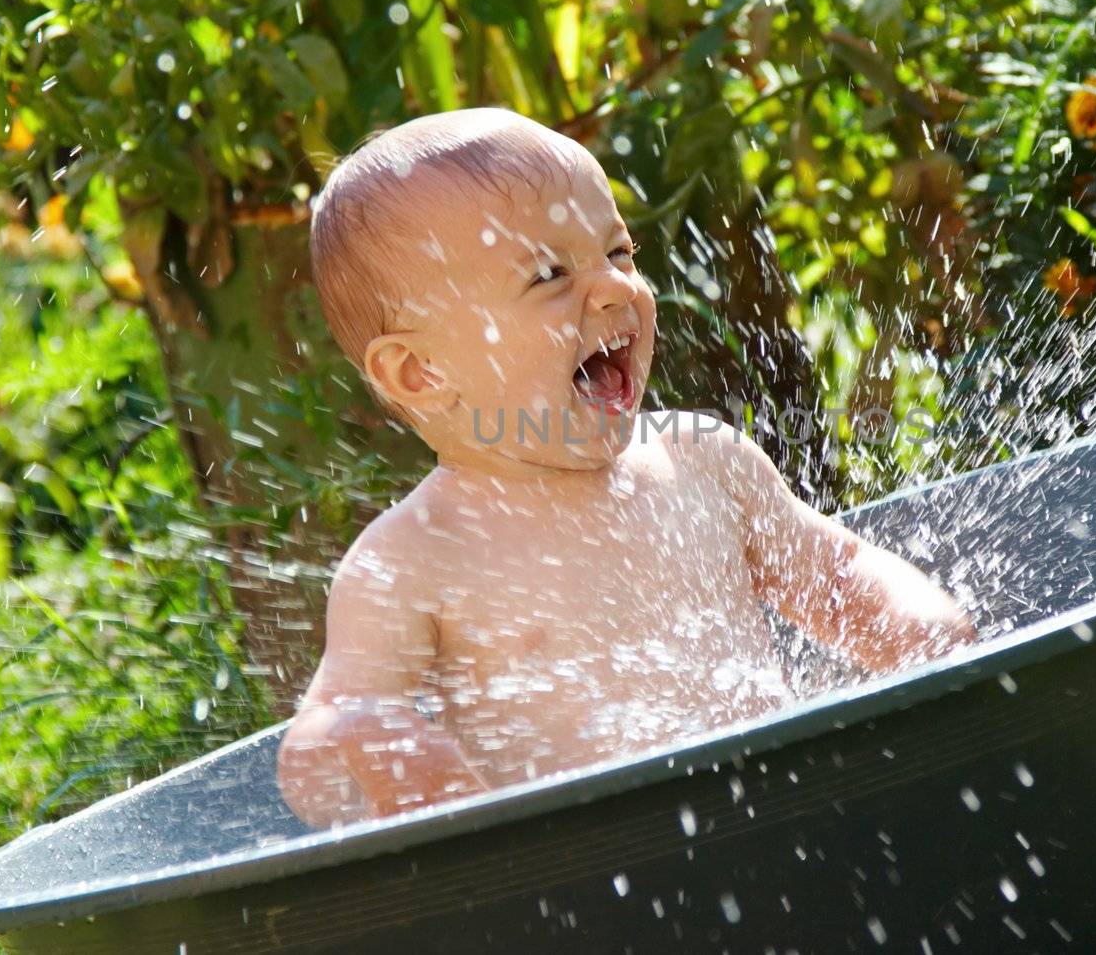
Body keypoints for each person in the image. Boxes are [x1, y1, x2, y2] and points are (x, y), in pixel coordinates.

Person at [277, 108, 976, 828]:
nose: (615, 289)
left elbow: (835, 574)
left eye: (618, 252)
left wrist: (929, 640)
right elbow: (325, 736)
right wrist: (387, 751)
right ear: (421, 370)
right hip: (598, 884)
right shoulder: (415, 556)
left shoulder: (702, 460)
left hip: (788, 819)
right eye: (549, 274)